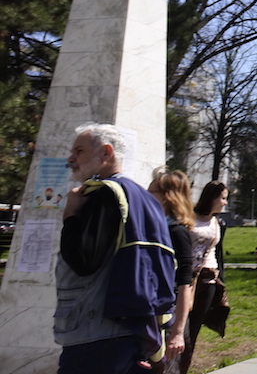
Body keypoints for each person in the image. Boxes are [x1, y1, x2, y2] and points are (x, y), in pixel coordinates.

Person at [54, 124, 175, 374]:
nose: (71, 158)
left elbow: (83, 260)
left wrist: (71, 215)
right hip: (136, 329)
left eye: (79, 150)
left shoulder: (103, 194)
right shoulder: (146, 199)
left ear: (106, 153)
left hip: (94, 331)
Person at [148, 168, 195, 373]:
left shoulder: (177, 232)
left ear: (168, 197)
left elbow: (185, 283)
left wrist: (177, 333)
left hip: (170, 321)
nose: (146, 197)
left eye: (152, 193)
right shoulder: (155, 229)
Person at [182, 180, 228, 374]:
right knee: (179, 328)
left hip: (207, 280)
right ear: (213, 197)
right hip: (186, 279)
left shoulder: (217, 222)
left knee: (193, 331)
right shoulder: (189, 216)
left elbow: (218, 253)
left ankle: (183, 367)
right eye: (223, 198)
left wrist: (221, 282)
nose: (225, 203)